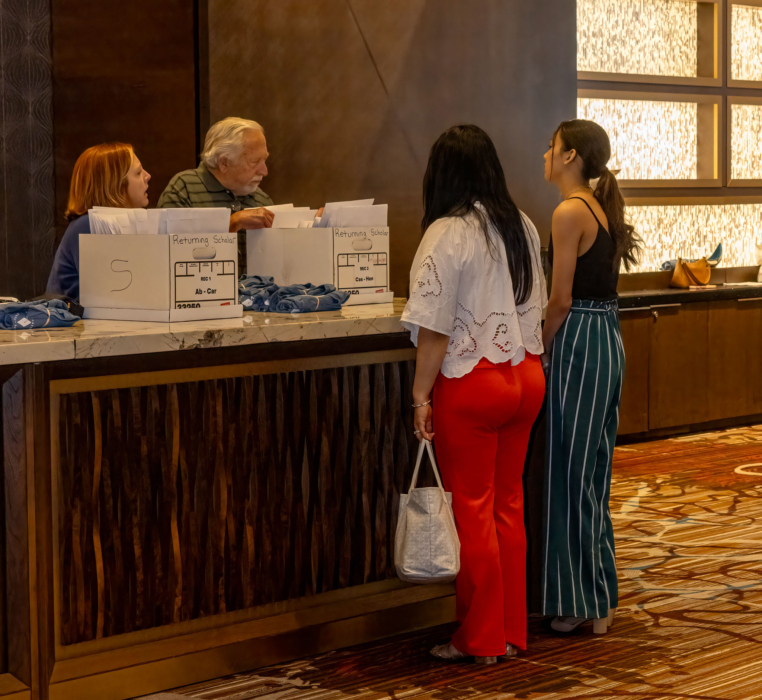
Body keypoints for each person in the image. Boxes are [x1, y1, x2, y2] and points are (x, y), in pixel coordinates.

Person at [401, 125, 547, 665]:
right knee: (509, 505)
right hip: (526, 376)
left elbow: (434, 325)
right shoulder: (522, 223)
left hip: (474, 383)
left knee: (473, 510)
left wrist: (421, 396)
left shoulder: (447, 232)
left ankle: (479, 638)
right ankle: (509, 631)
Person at [539, 119, 640, 634]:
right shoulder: (599, 207)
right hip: (607, 335)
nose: (545, 154)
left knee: (571, 472)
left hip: (578, 336)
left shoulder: (569, 212)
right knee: (592, 472)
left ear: (570, 156)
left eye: (551, 146)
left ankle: (582, 601)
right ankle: (599, 595)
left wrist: (539, 346)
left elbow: (560, 300)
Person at [157, 117, 276, 271]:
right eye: (254, 162)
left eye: (264, 160)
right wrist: (231, 223)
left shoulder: (262, 199)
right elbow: (171, 257)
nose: (264, 171)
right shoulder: (184, 189)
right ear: (223, 163)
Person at [46, 143, 151, 302]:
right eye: (138, 172)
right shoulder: (87, 225)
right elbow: (112, 297)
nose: (147, 176)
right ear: (115, 184)